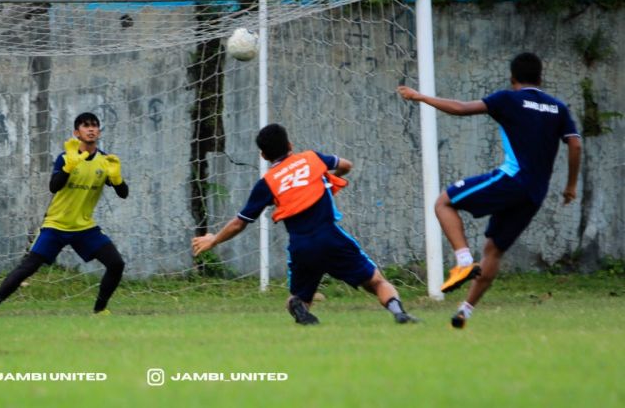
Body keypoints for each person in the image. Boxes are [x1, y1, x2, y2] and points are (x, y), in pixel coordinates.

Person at [397, 52, 581, 328]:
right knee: (494, 250)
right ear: (541, 78)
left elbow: (460, 108)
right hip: (535, 194)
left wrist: (421, 97)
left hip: (512, 179)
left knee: (443, 202)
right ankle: (465, 311)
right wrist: (570, 186)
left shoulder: (508, 98)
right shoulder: (558, 107)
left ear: (512, 78)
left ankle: (463, 261)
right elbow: (575, 144)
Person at [192, 123, 418, 326]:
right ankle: (398, 312)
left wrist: (214, 239)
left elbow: (239, 223)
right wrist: (331, 180)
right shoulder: (312, 158)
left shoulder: (267, 183)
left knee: (298, 298)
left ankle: (299, 308)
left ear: (263, 156)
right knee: (376, 281)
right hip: (331, 237)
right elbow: (346, 165)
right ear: (290, 144)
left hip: (301, 247)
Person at [0, 112, 128, 316]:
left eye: (95, 125)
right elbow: (54, 187)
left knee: (116, 264)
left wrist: (118, 179)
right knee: (29, 267)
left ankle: (100, 310)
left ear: (99, 132)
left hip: (84, 227)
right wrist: (69, 167)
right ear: (77, 132)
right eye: (86, 126)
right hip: (56, 225)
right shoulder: (66, 157)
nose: (91, 129)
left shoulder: (105, 161)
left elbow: (123, 194)